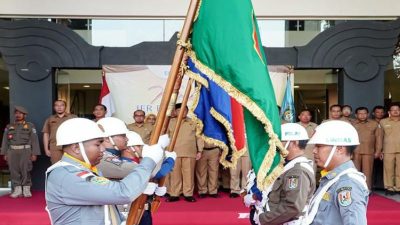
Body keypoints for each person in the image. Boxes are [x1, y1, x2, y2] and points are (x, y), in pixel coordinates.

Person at [45, 118, 165, 225]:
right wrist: (149, 161)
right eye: (98, 144)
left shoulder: (87, 169)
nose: (103, 149)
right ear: (76, 148)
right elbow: (122, 193)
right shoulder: (67, 175)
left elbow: (108, 208)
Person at [303, 120, 369, 225]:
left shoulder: (347, 183)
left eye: (319, 146)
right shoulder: (332, 178)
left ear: (339, 149)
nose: (314, 151)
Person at [255, 123, 315, 225]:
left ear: (294, 143)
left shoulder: (297, 171)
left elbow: (292, 207)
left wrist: (264, 219)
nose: (277, 145)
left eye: (280, 141)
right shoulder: (289, 165)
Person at [167, 103, 204, 202]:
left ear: (187, 111)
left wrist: (200, 150)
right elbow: (165, 137)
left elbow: (199, 138)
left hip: (189, 152)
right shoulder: (170, 122)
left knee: (189, 174)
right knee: (175, 175)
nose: (182, 112)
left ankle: (188, 194)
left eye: (184, 110)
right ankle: (174, 194)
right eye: (179, 110)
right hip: (174, 153)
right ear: (175, 112)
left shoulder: (193, 122)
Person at [0, 106, 41, 198]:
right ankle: (17, 189)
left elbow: (34, 140)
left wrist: (34, 153)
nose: (18, 115)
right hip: (12, 151)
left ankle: (26, 189)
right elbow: (5, 141)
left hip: (25, 150)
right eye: (17, 113)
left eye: (20, 113)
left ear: (25, 115)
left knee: (25, 169)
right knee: (13, 170)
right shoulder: (9, 126)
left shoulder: (30, 126)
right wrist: (4, 153)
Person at [352, 107, 382, 192]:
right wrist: (348, 152)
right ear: (356, 115)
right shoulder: (352, 124)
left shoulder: (374, 124)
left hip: (369, 151)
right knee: (355, 172)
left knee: (368, 172)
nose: (362, 115)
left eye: (364, 113)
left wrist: (378, 151)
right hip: (355, 151)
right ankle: (355, 190)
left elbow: (378, 138)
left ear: (368, 114)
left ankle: (367, 189)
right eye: (360, 113)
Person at [42, 100, 76, 164]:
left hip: (70, 146)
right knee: (56, 167)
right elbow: (46, 134)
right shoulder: (50, 119)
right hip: (55, 147)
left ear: (65, 107)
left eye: (62, 105)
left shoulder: (73, 117)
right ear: (54, 107)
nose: (59, 107)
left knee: (71, 166)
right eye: (57, 105)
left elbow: (79, 132)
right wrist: (46, 149)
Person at [380, 103, 400, 195]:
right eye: (393, 109)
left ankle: (398, 188)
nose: (395, 111)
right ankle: (389, 188)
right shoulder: (383, 122)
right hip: (388, 149)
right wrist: (380, 150)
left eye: (397, 109)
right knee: (388, 169)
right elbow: (380, 137)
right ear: (389, 112)